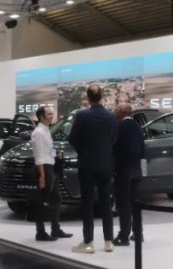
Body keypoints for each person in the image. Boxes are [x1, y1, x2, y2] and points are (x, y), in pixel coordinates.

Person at [68, 85, 118, 254]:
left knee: (87, 202)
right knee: (106, 202)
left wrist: (83, 152)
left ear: (88, 98)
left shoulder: (81, 116)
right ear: (102, 96)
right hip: (106, 164)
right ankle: (109, 241)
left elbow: (73, 138)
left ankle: (88, 242)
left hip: (87, 164)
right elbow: (114, 139)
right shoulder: (111, 116)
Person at [30, 105, 72, 242]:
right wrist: (42, 175)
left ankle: (55, 229)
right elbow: (38, 155)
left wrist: (56, 153)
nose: (52, 116)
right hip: (44, 169)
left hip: (50, 168)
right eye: (49, 114)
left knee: (56, 199)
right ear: (41, 117)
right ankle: (40, 232)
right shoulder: (38, 133)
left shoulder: (46, 130)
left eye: (52, 113)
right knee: (42, 202)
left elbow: (47, 150)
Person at [113, 103, 144, 247]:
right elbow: (142, 149)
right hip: (136, 169)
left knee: (123, 203)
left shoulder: (119, 127)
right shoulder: (137, 126)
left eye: (116, 110)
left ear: (121, 112)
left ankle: (123, 236)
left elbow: (115, 148)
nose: (114, 111)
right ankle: (138, 233)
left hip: (123, 170)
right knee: (135, 203)